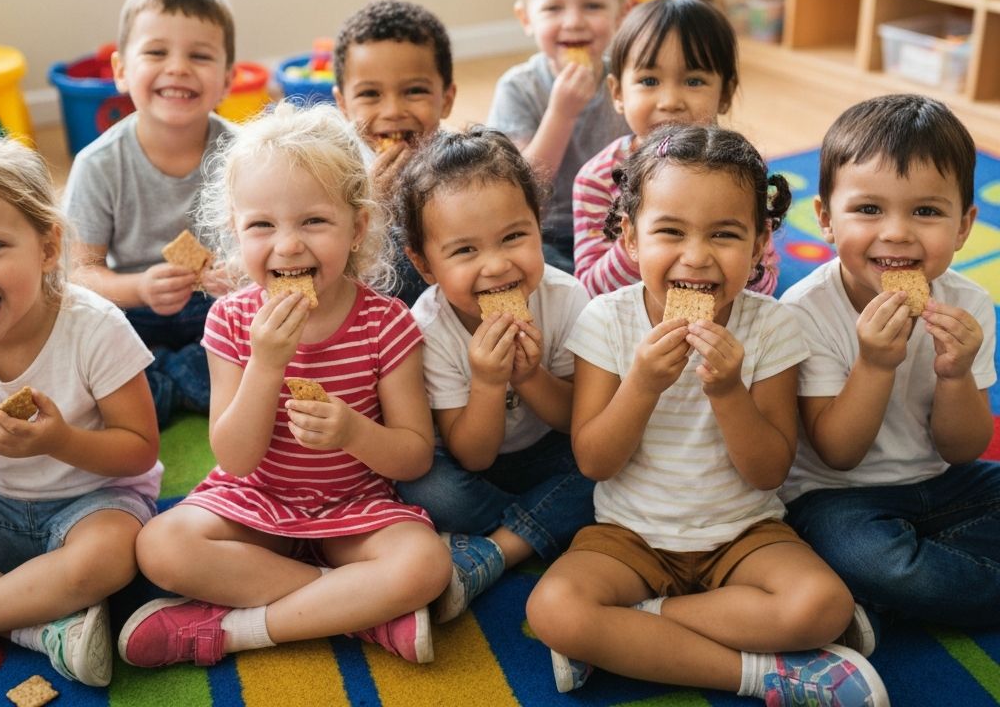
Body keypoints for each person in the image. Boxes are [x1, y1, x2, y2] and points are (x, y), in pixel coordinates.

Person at [527, 124, 887, 706]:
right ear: (630, 238)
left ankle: (637, 626)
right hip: (629, 535)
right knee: (551, 610)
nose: (696, 257)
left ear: (760, 242)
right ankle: (766, 676)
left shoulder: (772, 326)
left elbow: (769, 472)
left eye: (725, 234)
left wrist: (727, 392)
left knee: (823, 605)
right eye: (670, 231)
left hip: (744, 532)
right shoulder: (604, 321)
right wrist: (642, 384)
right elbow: (594, 460)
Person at [117, 102, 451, 670]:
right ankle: (352, 606)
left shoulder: (386, 322)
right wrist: (266, 365)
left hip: (356, 505)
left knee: (426, 566)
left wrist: (351, 430)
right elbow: (236, 458)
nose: (288, 245)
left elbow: (414, 457)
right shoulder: (228, 319)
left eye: (313, 221)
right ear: (235, 232)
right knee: (158, 546)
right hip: (255, 500)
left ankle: (240, 629)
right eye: (262, 225)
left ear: (358, 226)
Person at [781, 94, 1000, 632]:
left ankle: (897, 597)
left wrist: (955, 374)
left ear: (964, 226)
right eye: (869, 209)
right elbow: (838, 453)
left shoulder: (968, 305)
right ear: (826, 220)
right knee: (874, 562)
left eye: (926, 211)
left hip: (944, 481)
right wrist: (875, 365)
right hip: (838, 500)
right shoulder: (804, 313)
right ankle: (912, 587)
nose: (897, 232)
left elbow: (963, 448)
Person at [0, 133, 160, 687]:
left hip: (95, 503)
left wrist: (60, 441)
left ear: (48, 248)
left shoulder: (94, 327)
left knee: (114, 556)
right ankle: (36, 629)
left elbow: (139, 450)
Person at [392, 125, 595, 624]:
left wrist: (531, 378)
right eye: (465, 251)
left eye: (513, 237)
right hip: (475, 468)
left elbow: (579, 420)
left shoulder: (566, 298)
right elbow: (472, 454)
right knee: (425, 488)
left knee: (614, 466)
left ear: (538, 223)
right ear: (424, 263)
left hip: (553, 450)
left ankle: (496, 549)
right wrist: (487, 383)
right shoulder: (429, 327)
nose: (497, 265)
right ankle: (538, 528)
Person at [64, 0, 238, 428]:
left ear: (227, 80)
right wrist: (139, 288)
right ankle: (176, 381)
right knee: (77, 343)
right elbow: (79, 275)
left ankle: (162, 384)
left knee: (276, 339)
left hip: (218, 311)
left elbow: (273, 243)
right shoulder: (98, 164)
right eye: (157, 52)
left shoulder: (247, 157)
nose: (178, 68)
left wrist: (240, 275)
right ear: (122, 70)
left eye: (199, 56)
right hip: (132, 310)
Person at [573, 0, 779, 298]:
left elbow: (766, 282)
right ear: (617, 92)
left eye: (694, 81)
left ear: (725, 92)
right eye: (649, 81)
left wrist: (735, 260)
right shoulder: (596, 179)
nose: (670, 102)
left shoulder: (742, 171)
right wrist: (643, 232)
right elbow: (589, 292)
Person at [486, 0, 631, 274]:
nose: (574, 21)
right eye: (553, 8)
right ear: (526, 19)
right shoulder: (518, 89)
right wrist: (561, 113)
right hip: (545, 231)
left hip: (618, 226)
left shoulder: (629, 82)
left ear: (621, 15)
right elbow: (522, 188)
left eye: (593, 5)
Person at [333, 0, 457, 306]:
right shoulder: (334, 173)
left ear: (447, 98)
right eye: (370, 94)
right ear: (344, 105)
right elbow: (333, 274)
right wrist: (371, 206)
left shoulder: (464, 165)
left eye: (414, 91)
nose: (392, 110)